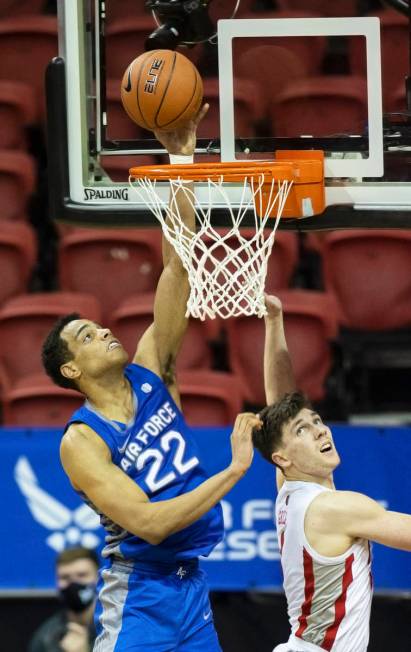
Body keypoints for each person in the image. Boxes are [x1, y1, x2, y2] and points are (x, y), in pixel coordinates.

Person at [41, 106, 261, 652]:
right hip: (139, 597)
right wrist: (234, 470)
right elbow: (149, 523)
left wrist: (180, 158)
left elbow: (178, 268)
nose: (104, 333)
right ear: (71, 370)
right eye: (87, 337)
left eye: (100, 327)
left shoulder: (152, 368)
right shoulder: (82, 440)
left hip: (192, 588)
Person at [252, 295, 411, 652]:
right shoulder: (335, 508)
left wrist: (274, 321)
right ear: (283, 458)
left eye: (317, 421)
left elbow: (279, 403)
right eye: (303, 431)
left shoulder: (288, 488)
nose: (321, 431)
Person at [28, 547, 99, 652]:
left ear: (99, 578)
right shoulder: (46, 638)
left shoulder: (117, 627)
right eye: (65, 577)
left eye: (82, 575)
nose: (74, 583)